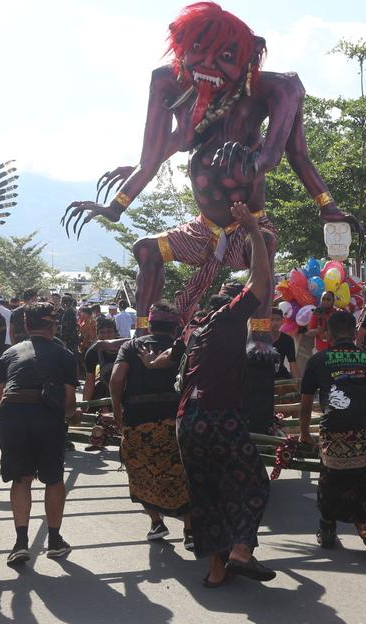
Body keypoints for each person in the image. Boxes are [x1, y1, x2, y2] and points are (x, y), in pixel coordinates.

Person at [172, 202, 275, 587]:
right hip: (219, 416)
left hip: (188, 421)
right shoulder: (230, 317)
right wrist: (252, 231)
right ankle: (241, 552)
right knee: (252, 483)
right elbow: (261, 281)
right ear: (234, 301)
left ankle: (216, 571)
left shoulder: (196, 329)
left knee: (207, 494)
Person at [299, 310, 366, 560]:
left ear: (328, 334)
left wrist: (304, 434)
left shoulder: (318, 360)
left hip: (337, 430)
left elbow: (306, 401)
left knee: (331, 481)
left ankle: (328, 529)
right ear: (354, 334)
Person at [0, 301, 79, 566]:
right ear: (53, 326)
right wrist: (67, 417)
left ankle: (20, 544)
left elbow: (0, 397)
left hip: (13, 416)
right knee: (53, 480)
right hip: (47, 418)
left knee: (21, 479)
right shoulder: (64, 354)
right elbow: (68, 401)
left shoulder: (8, 354)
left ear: (26, 326)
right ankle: (54, 541)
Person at [109, 303, 192, 548]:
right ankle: (190, 529)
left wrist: (116, 409)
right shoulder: (182, 347)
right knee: (182, 473)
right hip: (175, 419)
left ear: (149, 324)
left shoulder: (132, 346)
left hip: (138, 419)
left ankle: (156, 522)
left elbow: (116, 379)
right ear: (175, 325)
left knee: (140, 472)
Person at [82, 317, 122, 404]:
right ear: (97, 335)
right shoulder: (93, 352)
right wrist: (84, 406)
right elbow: (89, 381)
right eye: (102, 332)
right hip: (104, 393)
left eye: (109, 332)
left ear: (115, 333)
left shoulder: (126, 348)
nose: (106, 336)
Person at [304, 290, 337, 356]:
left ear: (333, 301)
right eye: (323, 299)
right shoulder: (316, 313)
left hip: (335, 350)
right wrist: (318, 331)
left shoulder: (338, 313)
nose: (325, 301)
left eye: (328, 299)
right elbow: (309, 332)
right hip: (321, 351)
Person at [269, 307, 295, 380]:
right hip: (263, 378)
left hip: (281, 377)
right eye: (272, 319)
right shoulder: (259, 339)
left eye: (277, 320)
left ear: (282, 321)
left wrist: (298, 385)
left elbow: (292, 363)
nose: (275, 323)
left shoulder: (288, 340)